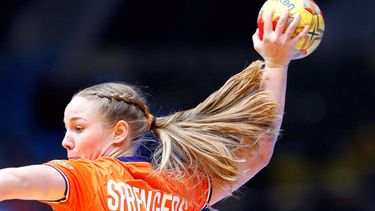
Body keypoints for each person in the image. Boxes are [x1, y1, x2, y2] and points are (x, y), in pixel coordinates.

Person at [0, 9, 309, 211]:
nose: (66, 141)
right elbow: (258, 151)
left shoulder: (84, 178)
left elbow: (16, 181)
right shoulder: (179, 187)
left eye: (78, 128)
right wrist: (276, 64)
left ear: (119, 132)